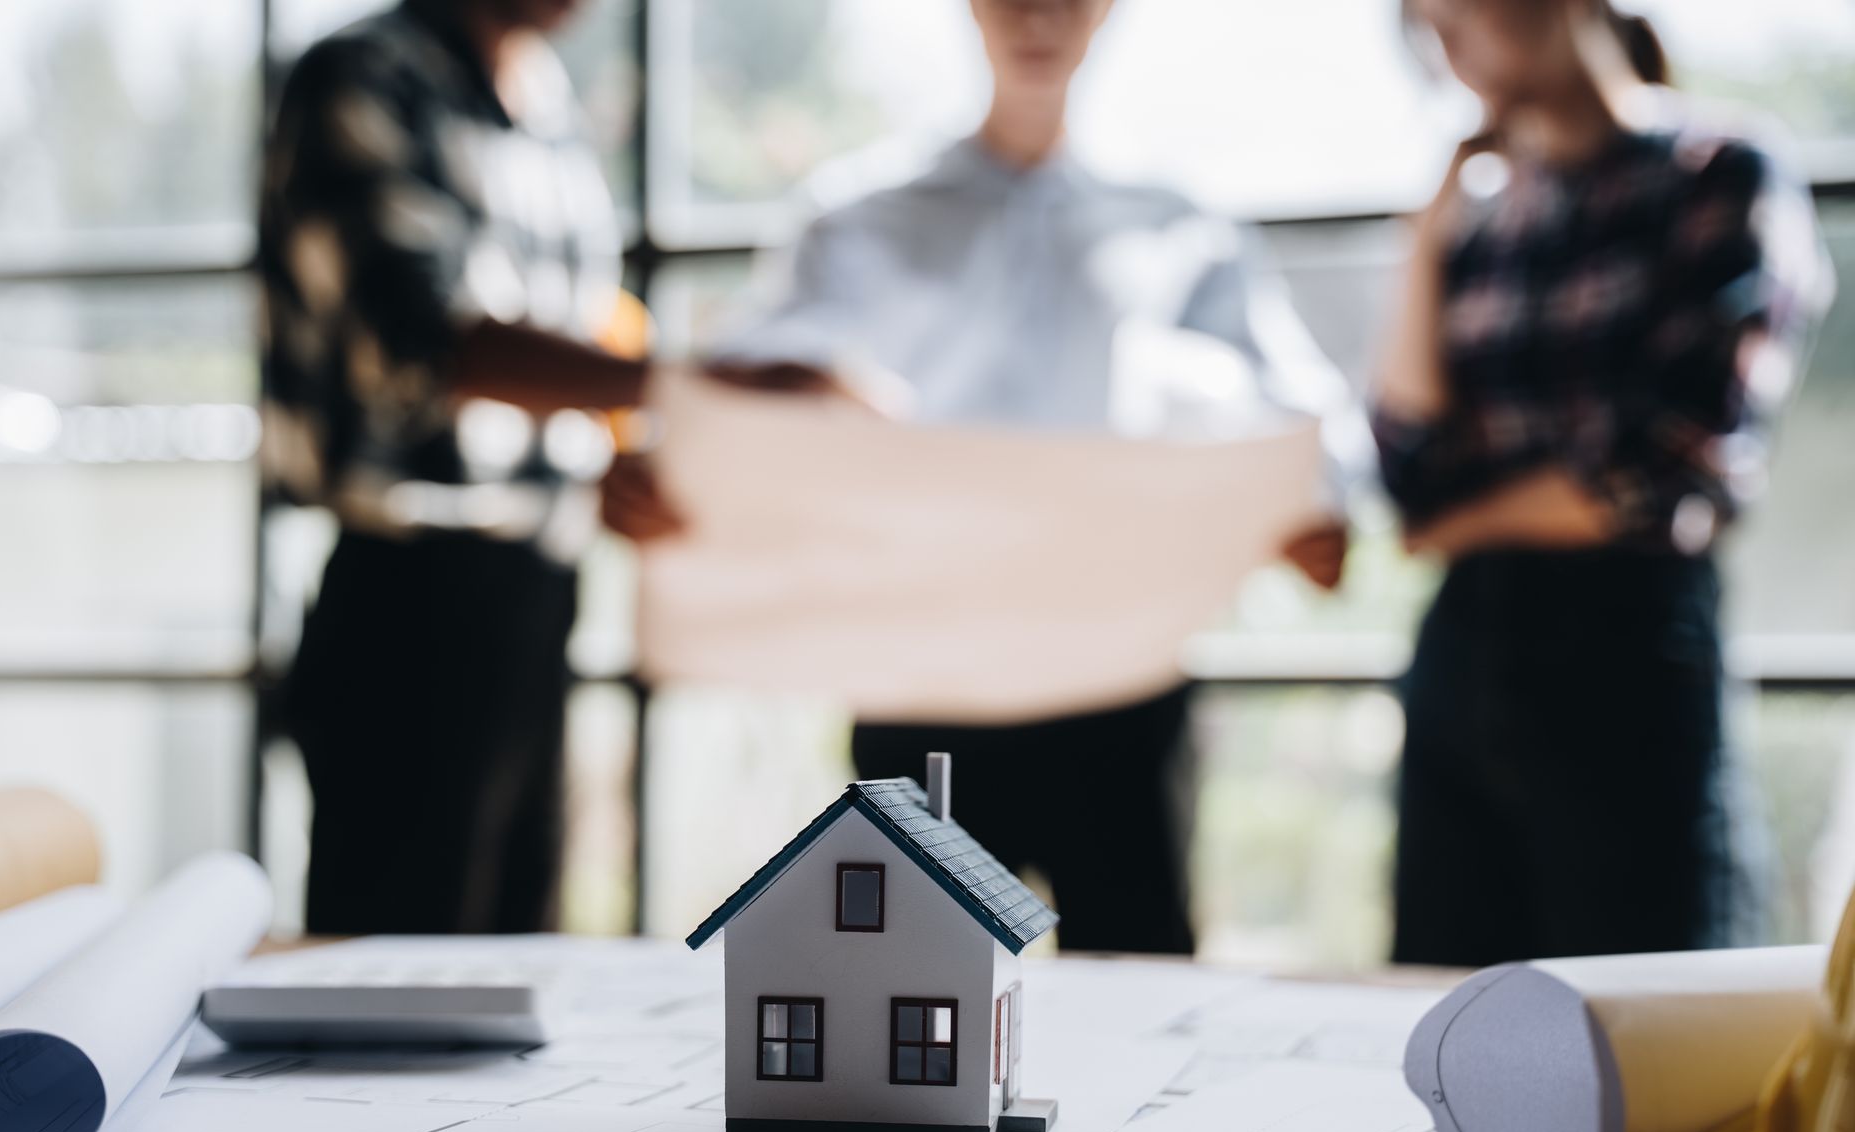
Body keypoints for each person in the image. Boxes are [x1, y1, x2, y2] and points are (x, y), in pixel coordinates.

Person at [717, 0, 1364, 955]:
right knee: (913, 981)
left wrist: (1317, 506)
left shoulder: (1180, 225)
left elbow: (1298, 414)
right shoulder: (858, 215)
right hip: (922, 679)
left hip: (1119, 682)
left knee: (1137, 977)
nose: (1038, 18)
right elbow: (734, 399)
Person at [1377, 0, 1834, 965]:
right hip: (1463, 656)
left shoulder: (1717, 168)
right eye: (1426, 26)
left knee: (1642, 1000)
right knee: (1444, 999)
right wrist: (1424, 240)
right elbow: (1408, 475)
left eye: (1460, 11)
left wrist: (1458, 521)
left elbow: (1671, 466)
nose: (1451, 46)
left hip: (1626, 653)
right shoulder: (1482, 218)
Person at [261, 0, 679, 934]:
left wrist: (619, 454)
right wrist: (682, 386)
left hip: (538, 596)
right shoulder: (365, 74)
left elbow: (571, 346)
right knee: (397, 972)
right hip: (408, 609)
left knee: (519, 957)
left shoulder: (547, 101)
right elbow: (420, 339)